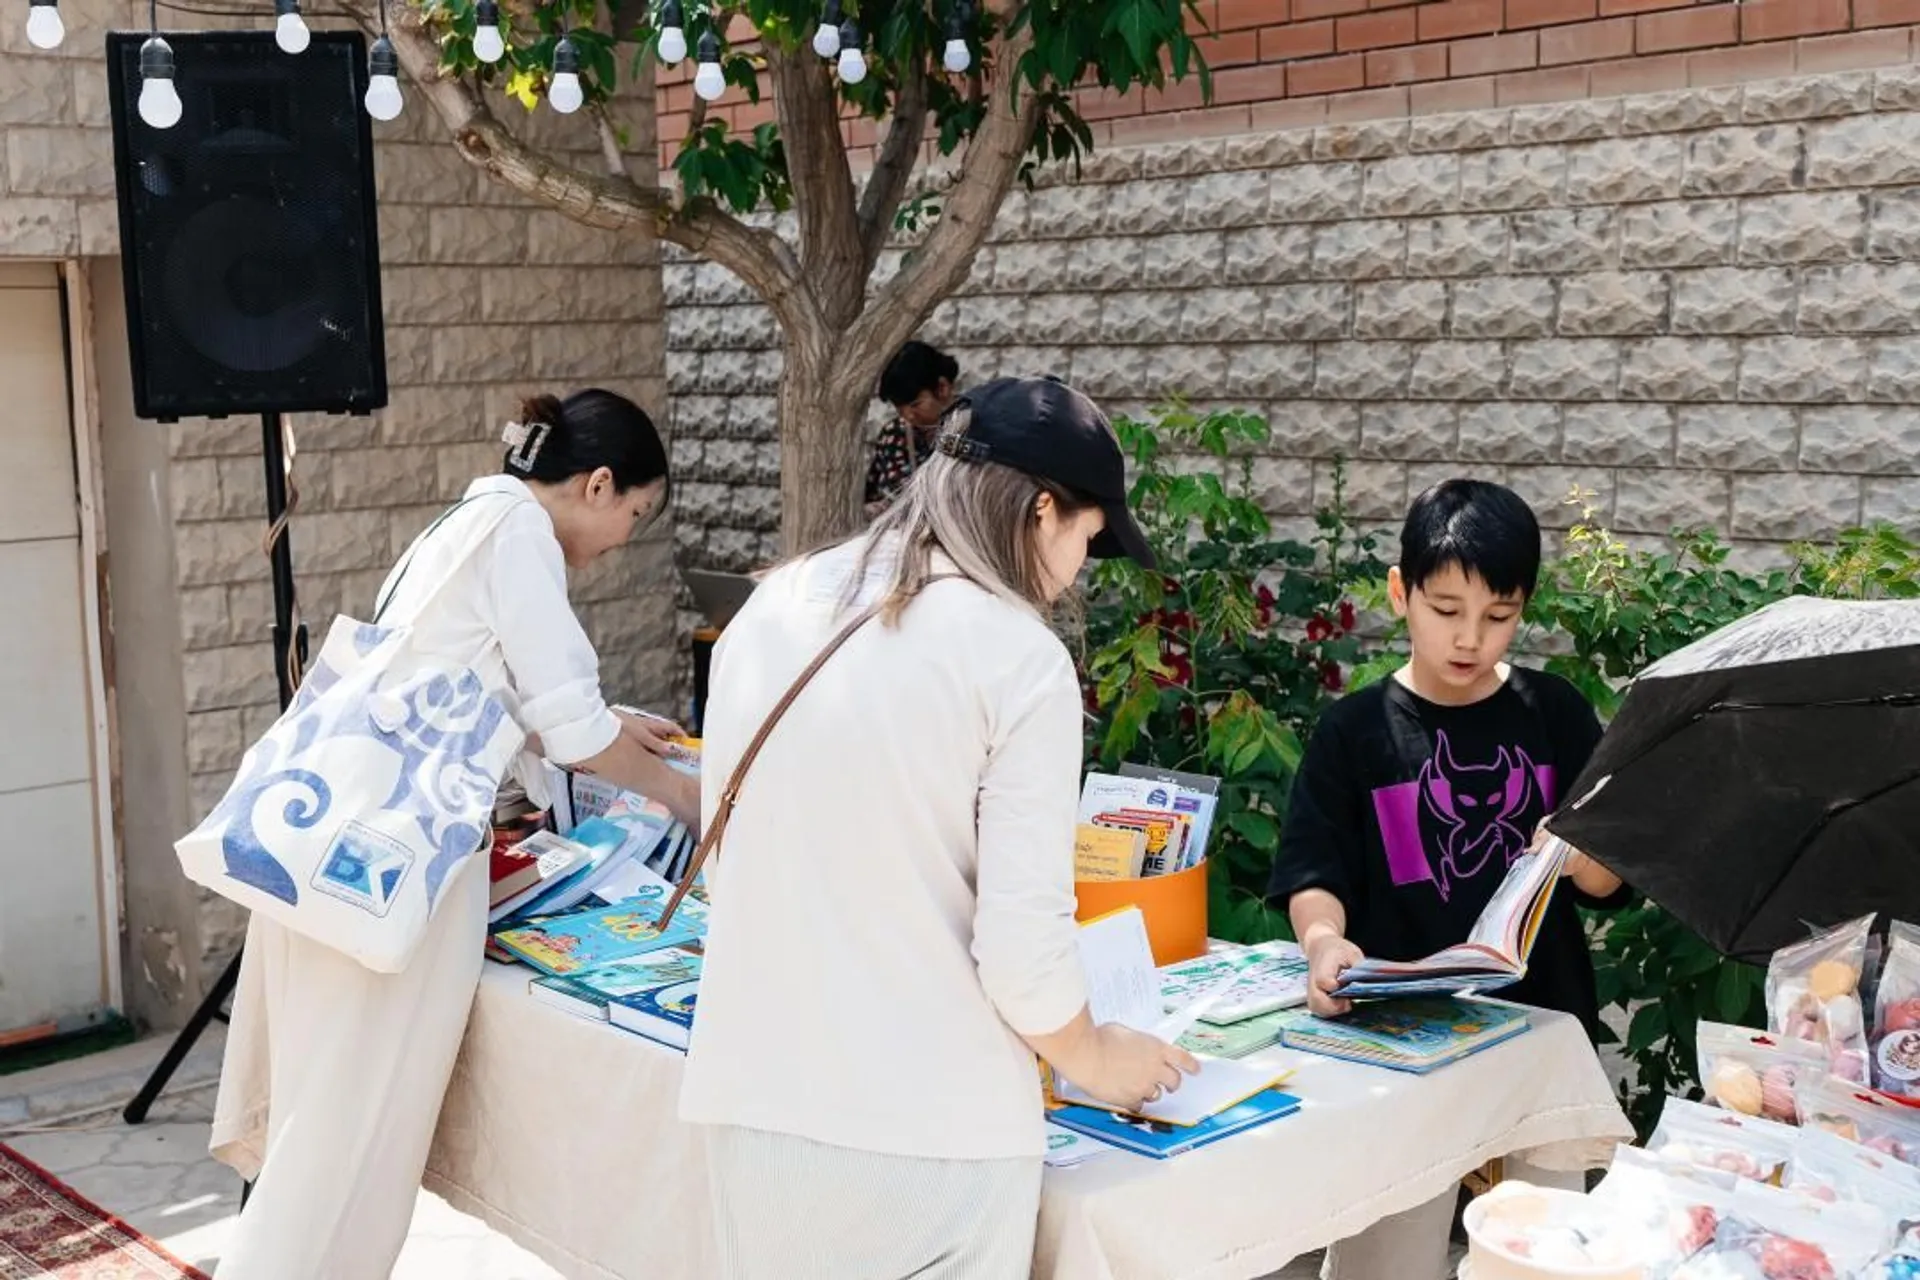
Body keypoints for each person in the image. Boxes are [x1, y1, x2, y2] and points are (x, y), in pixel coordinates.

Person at [681, 376, 1198, 1280]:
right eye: (1087, 538)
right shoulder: (1019, 659)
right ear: (1042, 511)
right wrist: (1096, 1057)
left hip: (751, 1097)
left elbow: (733, 859)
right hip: (931, 1131)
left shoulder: (775, 601)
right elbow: (1022, 954)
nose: (1080, 569)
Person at [209, 388, 700, 1280]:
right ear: (597, 484)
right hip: (402, 869)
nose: (623, 539)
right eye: (634, 514)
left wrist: (609, 725)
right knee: (352, 1139)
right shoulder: (519, 537)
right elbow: (573, 733)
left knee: (330, 1127)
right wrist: (685, 798)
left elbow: (486, 693)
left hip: (341, 856)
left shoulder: (471, 520)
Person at [1267, 478, 1630, 1280]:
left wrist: (1577, 850)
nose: (1470, 638)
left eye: (1498, 617)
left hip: (1538, 1030)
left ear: (1523, 608)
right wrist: (1324, 942)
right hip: (1403, 1043)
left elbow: (1606, 885)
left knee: (1544, 1257)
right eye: (1446, 610)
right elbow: (1313, 870)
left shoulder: (1554, 713)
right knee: (1384, 1257)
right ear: (1401, 593)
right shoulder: (1355, 730)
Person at [864, 340, 961, 520]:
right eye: (900, 409)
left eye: (916, 404)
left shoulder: (971, 429)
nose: (908, 416)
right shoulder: (896, 435)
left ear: (942, 388)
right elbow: (892, 496)